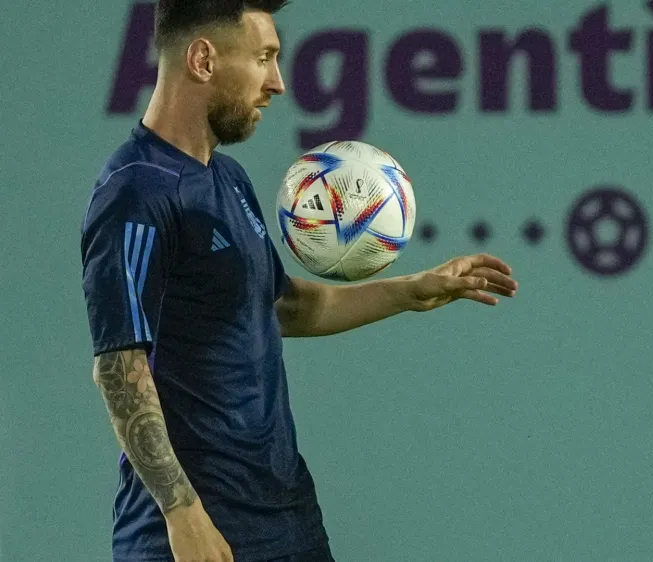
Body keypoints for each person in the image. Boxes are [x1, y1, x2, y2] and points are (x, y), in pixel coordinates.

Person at [79, 1, 518, 561]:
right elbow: (120, 367)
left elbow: (282, 307)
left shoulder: (227, 178)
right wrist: (181, 513)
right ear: (203, 59)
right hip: (194, 533)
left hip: (286, 520)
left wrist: (411, 291)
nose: (278, 83)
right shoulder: (135, 192)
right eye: (263, 57)